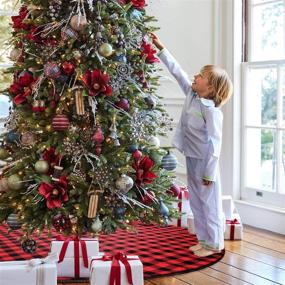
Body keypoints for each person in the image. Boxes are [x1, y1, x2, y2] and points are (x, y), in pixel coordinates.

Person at [151, 33, 233, 257]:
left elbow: (216, 144)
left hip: (206, 163)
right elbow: (177, 71)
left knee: (210, 204)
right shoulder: (191, 94)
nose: (195, 76)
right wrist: (162, 48)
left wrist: (209, 172)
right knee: (196, 201)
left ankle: (216, 243)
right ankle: (204, 240)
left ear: (212, 86)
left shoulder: (211, 111)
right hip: (192, 157)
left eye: (202, 75)